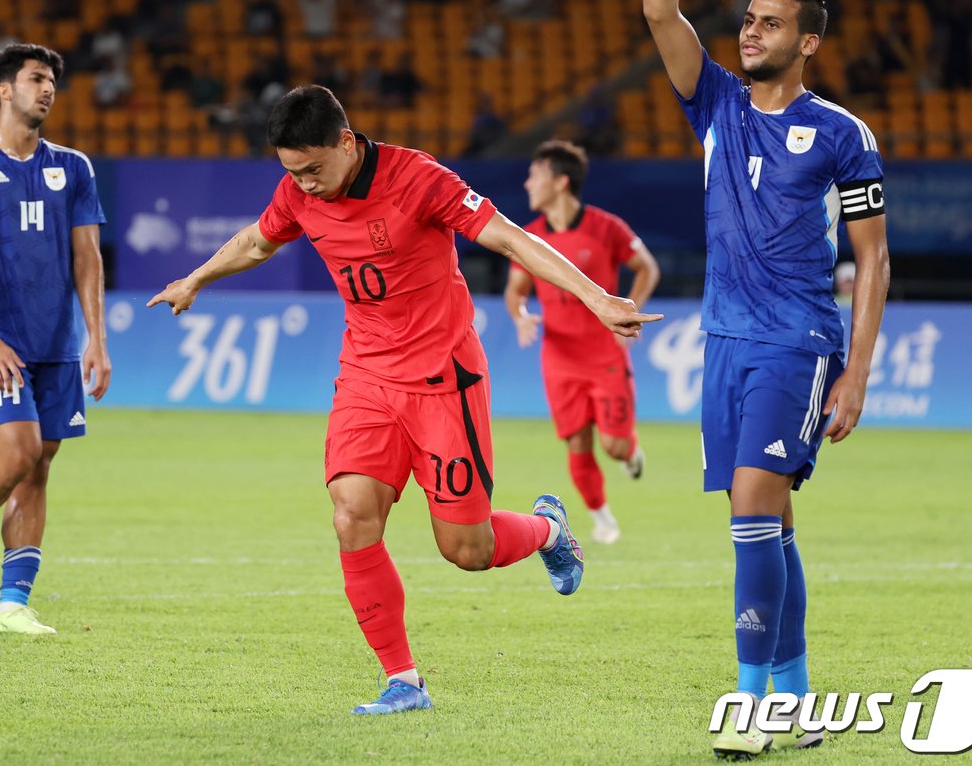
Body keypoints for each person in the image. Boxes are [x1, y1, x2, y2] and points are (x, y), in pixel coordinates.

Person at [148, 85, 659, 714]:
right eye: (292, 173)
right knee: (351, 513)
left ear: (346, 142)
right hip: (366, 377)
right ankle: (404, 681)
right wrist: (196, 278)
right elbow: (258, 241)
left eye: (313, 170)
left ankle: (549, 529)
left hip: (445, 380)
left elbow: (506, 237)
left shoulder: (417, 178)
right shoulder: (298, 192)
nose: (304, 185)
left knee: (466, 550)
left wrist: (595, 296)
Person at [644, 0, 890, 758]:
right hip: (725, 339)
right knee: (768, 522)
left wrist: (856, 374)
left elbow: (873, 257)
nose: (751, 32)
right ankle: (796, 693)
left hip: (797, 341)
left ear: (808, 42)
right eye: (748, 20)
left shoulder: (842, 135)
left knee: (753, 502)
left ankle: (754, 705)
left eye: (771, 23)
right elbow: (659, 12)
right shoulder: (715, 104)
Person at [0, 44, 110, 636]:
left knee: (40, 465)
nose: (48, 89)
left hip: (58, 342)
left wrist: (96, 339)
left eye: (52, 80)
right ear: (4, 89)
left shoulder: (75, 167)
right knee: (17, 453)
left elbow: (88, 258)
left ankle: (13, 603)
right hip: (0, 341)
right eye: (36, 78)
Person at [504, 141, 660, 545]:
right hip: (559, 358)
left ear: (560, 181)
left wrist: (628, 311)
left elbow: (647, 268)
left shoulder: (607, 227)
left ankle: (630, 453)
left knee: (614, 446)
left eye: (535, 175)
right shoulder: (529, 237)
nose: (527, 184)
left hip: (604, 353)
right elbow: (516, 290)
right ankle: (602, 518)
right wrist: (520, 316)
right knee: (577, 440)